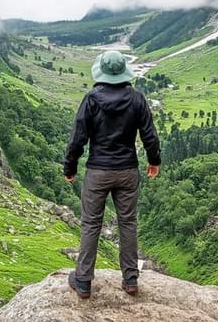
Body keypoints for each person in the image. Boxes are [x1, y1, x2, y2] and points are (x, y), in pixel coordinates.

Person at [63, 50, 161, 299]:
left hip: (98, 171)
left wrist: (70, 167)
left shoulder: (91, 99)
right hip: (127, 170)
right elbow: (149, 135)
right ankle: (130, 279)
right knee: (127, 223)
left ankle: (83, 280)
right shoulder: (137, 99)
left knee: (91, 224)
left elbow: (78, 138)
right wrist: (154, 161)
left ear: (102, 73)